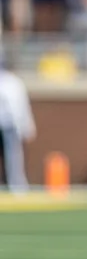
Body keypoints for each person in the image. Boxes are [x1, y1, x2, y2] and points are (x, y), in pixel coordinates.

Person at [0, 60, 36, 192]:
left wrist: (27, 127)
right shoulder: (14, 82)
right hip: (6, 124)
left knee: (13, 157)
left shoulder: (13, 83)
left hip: (9, 126)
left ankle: (17, 186)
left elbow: (21, 107)